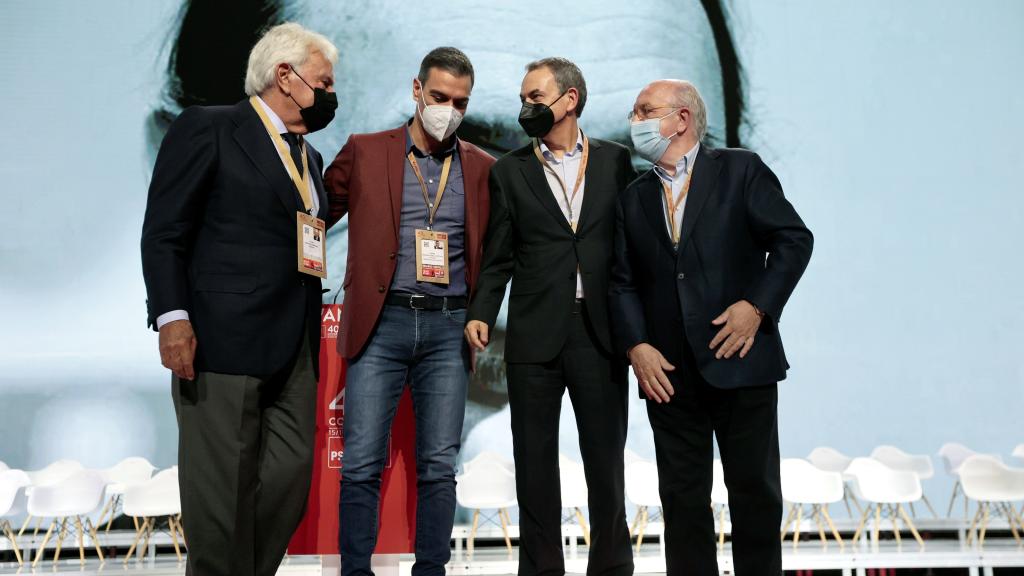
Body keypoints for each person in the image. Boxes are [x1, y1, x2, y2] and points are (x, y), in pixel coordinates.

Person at [140, 22, 338, 576]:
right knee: (220, 495)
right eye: (323, 83)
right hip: (219, 337)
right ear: (285, 75)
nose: (329, 95)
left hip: (292, 343)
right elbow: (164, 231)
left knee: (288, 476)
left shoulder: (310, 158)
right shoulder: (211, 127)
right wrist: (171, 317)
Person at [611, 79, 813, 576]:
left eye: (645, 110)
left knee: (756, 496)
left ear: (681, 119)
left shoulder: (739, 170)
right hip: (670, 374)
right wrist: (636, 345)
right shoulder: (633, 197)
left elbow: (793, 240)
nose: (634, 121)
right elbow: (620, 282)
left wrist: (758, 306)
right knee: (681, 503)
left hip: (740, 358)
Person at [323, 47, 494, 576]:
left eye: (459, 102)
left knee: (440, 465)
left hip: (448, 326)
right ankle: (355, 571)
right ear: (416, 90)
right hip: (381, 322)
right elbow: (313, 215)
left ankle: (431, 569)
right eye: (439, 96)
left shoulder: (483, 167)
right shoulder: (366, 150)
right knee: (361, 463)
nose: (448, 109)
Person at [465, 57, 635, 576]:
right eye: (524, 98)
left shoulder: (615, 162)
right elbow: (500, 252)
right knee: (535, 467)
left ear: (569, 100)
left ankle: (610, 568)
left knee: (605, 467)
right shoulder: (511, 170)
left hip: (599, 333)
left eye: (535, 98)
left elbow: (631, 251)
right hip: (533, 333)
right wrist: (482, 311)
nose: (526, 108)